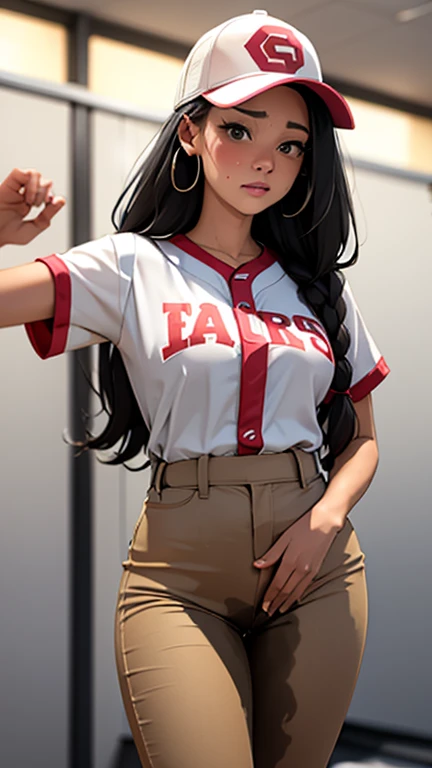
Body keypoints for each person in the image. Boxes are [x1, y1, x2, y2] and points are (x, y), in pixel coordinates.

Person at [0, 9, 391, 768]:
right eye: (240, 129)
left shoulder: (321, 292)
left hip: (317, 567)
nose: (265, 161)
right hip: (179, 578)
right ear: (190, 132)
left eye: (290, 144)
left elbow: (365, 441)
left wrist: (325, 521)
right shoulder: (128, 267)